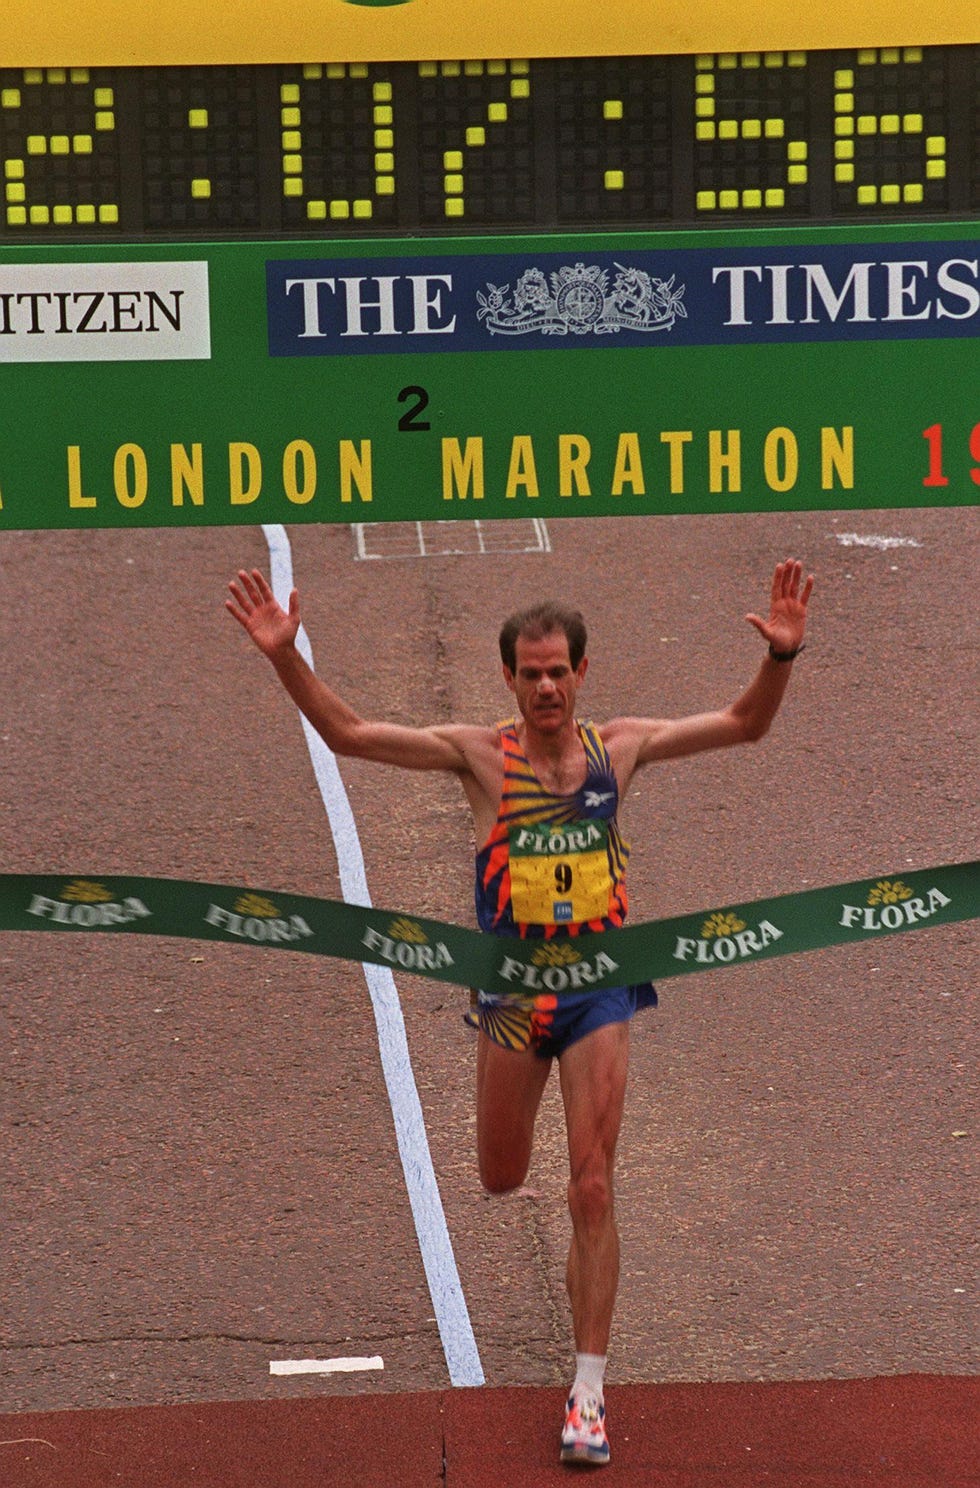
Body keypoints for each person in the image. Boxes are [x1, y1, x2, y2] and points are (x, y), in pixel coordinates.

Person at [226, 557, 814, 1467]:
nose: (545, 685)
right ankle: (570, 1302)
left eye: (559, 670)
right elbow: (348, 734)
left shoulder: (619, 750)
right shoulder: (480, 757)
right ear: (509, 677)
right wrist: (284, 656)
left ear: (582, 673)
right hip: (510, 995)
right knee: (500, 1176)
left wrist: (781, 656)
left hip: (599, 987)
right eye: (530, 671)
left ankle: (588, 1392)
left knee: (592, 1183)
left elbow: (744, 724)